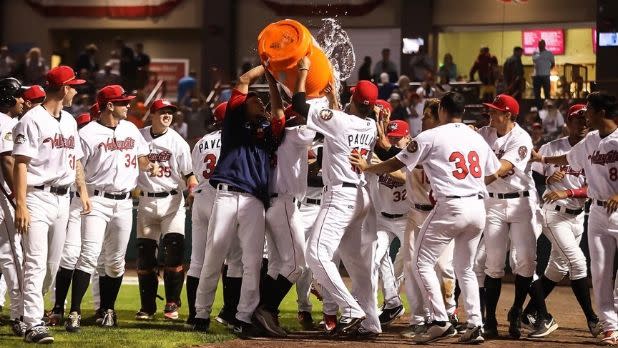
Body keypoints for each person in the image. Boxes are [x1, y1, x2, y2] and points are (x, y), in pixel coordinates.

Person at [350, 91, 502, 344]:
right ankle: (475, 324)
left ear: (442, 109)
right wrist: (469, 185)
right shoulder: (475, 137)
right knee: (465, 269)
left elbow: (395, 163)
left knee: (419, 263)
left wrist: (367, 167)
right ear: (462, 112)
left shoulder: (430, 136)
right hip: (477, 207)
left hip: (449, 206)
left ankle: (440, 320)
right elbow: (495, 172)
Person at [192, 65, 284, 337]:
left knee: (252, 262)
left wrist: (273, 84)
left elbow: (278, 114)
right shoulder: (234, 121)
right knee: (213, 256)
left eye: (262, 101)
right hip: (227, 193)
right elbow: (243, 79)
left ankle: (243, 317)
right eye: (255, 100)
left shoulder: (268, 130)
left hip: (254, 200)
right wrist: (267, 67)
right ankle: (201, 313)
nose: (260, 102)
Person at [294, 74, 381, 337]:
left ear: (353, 99)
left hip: (341, 196)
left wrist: (303, 72)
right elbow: (344, 119)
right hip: (360, 197)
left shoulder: (341, 121)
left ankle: (352, 310)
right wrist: (334, 101)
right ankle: (371, 323)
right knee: (357, 266)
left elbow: (299, 104)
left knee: (316, 254)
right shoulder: (370, 125)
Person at [66, 84, 158, 331]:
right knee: (88, 255)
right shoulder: (88, 133)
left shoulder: (130, 128)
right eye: (123, 102)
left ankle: (108, 310)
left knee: (116, 261)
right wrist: (83, 193)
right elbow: (77, 164)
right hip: (97, 200)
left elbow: (141, 156)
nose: (128, 105)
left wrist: (148, 165)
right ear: (109, 105)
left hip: (125, 202)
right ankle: (74, 311)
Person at [531, 92, 618, 346]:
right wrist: (543, 160)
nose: (586, 115)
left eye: (589, 109)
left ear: (602, 112)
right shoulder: (591, 140)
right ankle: (610, 326)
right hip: (599, 214)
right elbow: (569, 158)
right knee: (600, 272)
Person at [12, 66, 90, 343]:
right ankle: (33, 323)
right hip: (37, 196)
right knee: (34, 262)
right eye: (73, 86)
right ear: (61, 88)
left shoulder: (68, 121)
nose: (76, 90)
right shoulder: (31, 120)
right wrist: (21, 204)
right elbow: (20, 164)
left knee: (52, 266)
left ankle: (22, 313)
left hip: (63, 198)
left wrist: (81, 189)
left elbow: (76, 160)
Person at [478, 94, 556, 339]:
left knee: (524, 261)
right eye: (490, 111)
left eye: (494, 111)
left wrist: (472, 185)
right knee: (493, 263)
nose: (490, 115)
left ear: (508, 115)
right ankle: (489, 319)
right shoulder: (484, 133)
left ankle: (515, 311)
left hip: (521, 203)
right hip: (492, 203)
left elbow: (502, 169)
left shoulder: (521, 137)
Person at [525, 104, 601, 337]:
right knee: (578, 263)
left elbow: (594, 187)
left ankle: (526, 312)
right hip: (553, 214)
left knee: (556, 269)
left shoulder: (595, 149)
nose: (583, 122)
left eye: (585, 118)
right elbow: (531, 175)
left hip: (577, 215)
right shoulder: (552, 147)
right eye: (577, 119)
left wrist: (567, 191)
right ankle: (593, 321)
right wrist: (548, 180)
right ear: (567, 122)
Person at [253, 70, 317, 337]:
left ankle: (261, 312)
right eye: (299, 117)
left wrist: (273, 82)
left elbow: (282, 113)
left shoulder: (274, 135)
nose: (304, 118)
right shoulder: (295, 134)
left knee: (279, 265)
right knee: (295, 266)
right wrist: (300, 80)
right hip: (284, 204)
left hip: (272, 202)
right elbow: (313, 117)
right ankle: (264, 309)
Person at [135, 99, 197, 321]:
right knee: (144, 257)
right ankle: (147, 307)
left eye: (170, 112)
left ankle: (172, 302)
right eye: (162, 112)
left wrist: (192, 189)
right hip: (146, 200)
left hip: (172, 200)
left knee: (174, 251)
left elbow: (189, 173)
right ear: (152, 114)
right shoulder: (139, 136)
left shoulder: (178, 141)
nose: (167, 115)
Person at [186, 102, 227, 327]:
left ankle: (194, 315)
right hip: (220, 196)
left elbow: (195, 170)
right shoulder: (233, 138)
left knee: (197, 262)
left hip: (200, 195)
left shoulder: (201, 142)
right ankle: (229, 311)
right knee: (232, 259)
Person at [372, 118, 409, 326]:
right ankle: (391, 303)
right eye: (391, 139)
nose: (395, 143)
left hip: (406, 219)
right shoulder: (382, 154)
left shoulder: (411, 156)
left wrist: (381, 165)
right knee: (375, 257)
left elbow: (403, 177)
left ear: (407, 138)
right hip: (382, 218)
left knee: (411, 265)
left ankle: (433, 313)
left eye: (398, 139)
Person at [0, 77, 26, 336]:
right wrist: (19, 198)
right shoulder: (7, 123)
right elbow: (7, 161)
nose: (22, 100)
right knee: (12, 258)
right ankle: (19, 314)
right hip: (2, 201)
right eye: (19, 96)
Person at [532, 40, 555, 109]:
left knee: (547, 93)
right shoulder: (535, 53)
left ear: (544, 45)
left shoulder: (549, 53)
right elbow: (534, 63)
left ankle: (548, 108)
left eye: (542, 44)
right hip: (537, 76)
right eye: (539, 44)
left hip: (546, 76)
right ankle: (538, 108)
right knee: (537, 94)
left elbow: (553, 64)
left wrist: (547, 70)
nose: (540, 45)